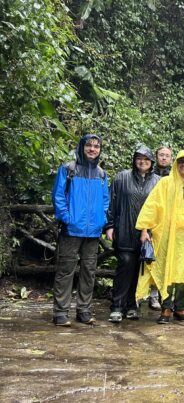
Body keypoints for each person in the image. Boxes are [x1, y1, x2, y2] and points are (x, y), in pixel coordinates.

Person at [135, 150, 184, 324]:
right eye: (181, 162)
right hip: (167, 235)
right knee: (167, 271)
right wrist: (144, 229)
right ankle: (166, 308)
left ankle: (181, 308)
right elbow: (152, 205)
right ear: (176, 164)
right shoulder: (165, 183)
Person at [51, 134, 109, 326]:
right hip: (71, 230)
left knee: (89, 271)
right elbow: (58, 195)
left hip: (93, 232)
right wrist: (67, 218)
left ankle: (83, 310)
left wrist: (101, 220)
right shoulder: (69, 169)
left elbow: (105, 200)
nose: (92, 149)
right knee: (65, 271)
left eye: (96, 146)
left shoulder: (101, 174)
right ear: (82, 147)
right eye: (89, 146)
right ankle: (60, 312)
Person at [106, 146, 160, 323]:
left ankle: (132, 305)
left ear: (152, 162)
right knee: (125, 264)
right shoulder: (122, 177)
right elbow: (111, 202)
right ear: (134, 159)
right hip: (124, 229)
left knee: (139, 269)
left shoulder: (158, 182)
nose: (142, 161)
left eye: (146, 158)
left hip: (148, 234)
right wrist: (109, 225)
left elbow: (162, 210)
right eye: (139, 158)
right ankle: (116, 306)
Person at [148, 145, 174, 310]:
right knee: (146, 258)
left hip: (167, 223)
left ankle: (157, 295)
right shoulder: (149, 175)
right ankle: (142, 295)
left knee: (162, 259)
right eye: (161, 155)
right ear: (156, 157)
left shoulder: (174, 176)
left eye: (167, 155)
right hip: (150, 221)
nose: (164, 158)